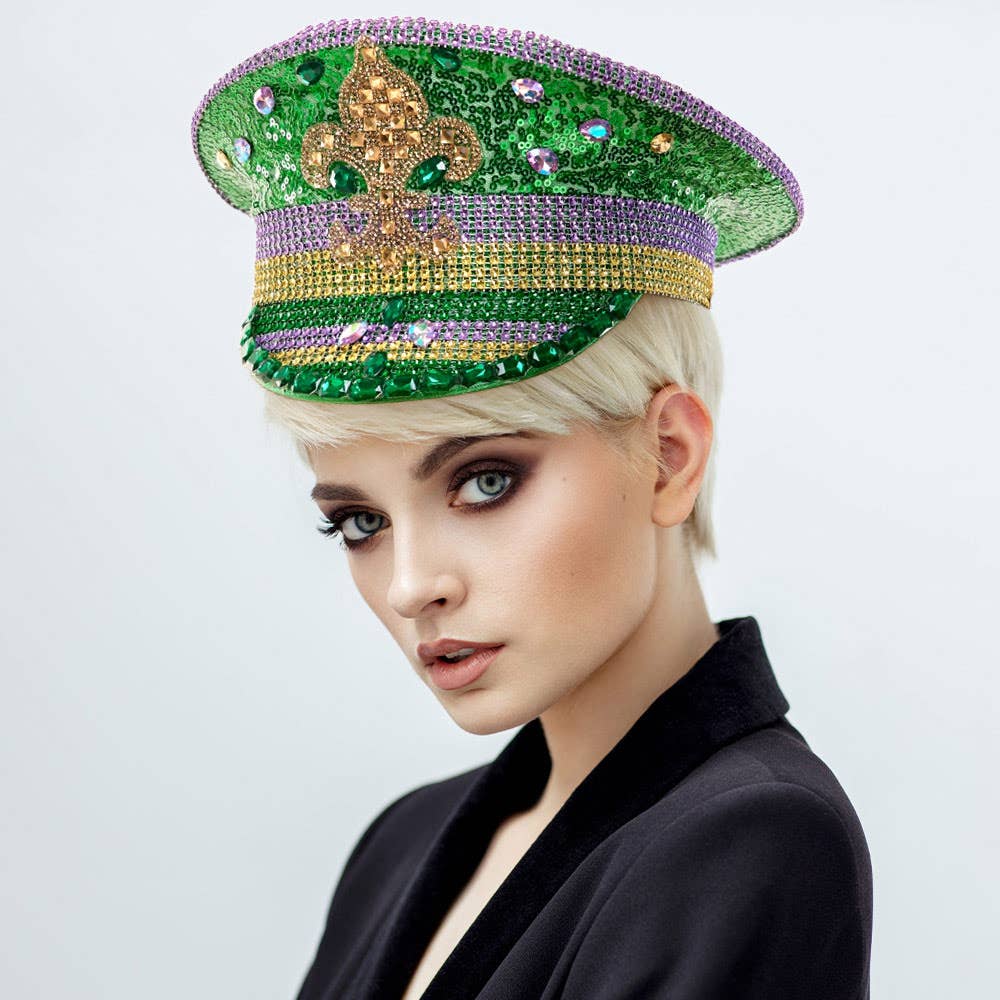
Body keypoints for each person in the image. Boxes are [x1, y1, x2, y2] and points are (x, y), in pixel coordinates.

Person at [191, 15, 873, 999]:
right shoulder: (402, 845)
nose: (413, 586)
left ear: (669, 458)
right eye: (360, 521)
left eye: (485, 481)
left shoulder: (750, 839)